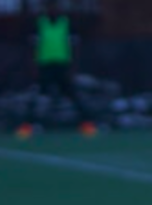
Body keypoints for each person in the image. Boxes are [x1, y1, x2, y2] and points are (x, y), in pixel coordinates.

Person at [15, 0, 96, 138]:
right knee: (36, 98)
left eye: (54, 6)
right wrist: (33, 66)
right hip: (45, 66)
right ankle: (26, 128)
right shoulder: (39, 23)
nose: (52, 9)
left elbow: (74, 47)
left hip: (62, 66)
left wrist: (72, 67)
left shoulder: (66, 23)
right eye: (49, 6)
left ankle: (87, 126)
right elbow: (32, 47)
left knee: (74, 97)